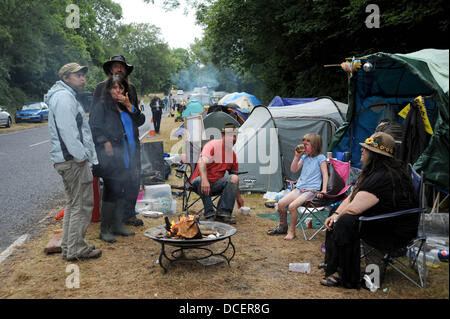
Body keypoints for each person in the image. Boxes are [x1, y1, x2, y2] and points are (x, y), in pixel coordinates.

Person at [320, 132, 418, 289]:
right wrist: (337, 213)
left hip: (392, 229)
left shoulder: (382, 177)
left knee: (345, 222)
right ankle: (333, 266)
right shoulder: (373, 172)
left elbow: (355, 208)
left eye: (366, 149)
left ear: (375, 155)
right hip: (380, 219)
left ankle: (344, 274)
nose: (362, 151)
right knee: (336, 214)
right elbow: (352, 196)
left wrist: (339, 216)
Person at [45, 62, 102, 261]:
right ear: (66, 78)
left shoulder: (65, 96)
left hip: (68, 160)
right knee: (82, 205)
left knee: (73, 204)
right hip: (72, 162)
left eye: (82, 75)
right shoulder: (63, 97)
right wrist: (80, 157)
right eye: (77, 75)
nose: (82, 78)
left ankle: (70, 247)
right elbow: (68, 132)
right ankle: (76, 249)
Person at [89, 75, 146, 243]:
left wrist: (130, 106)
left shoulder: (125, 106)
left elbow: (140, 121)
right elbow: (94, 126)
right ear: (108, 90)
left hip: (128, 155)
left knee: (123, 189)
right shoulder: (102, 106)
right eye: (114, 88)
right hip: (111, 156)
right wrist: (104, 141)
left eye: (120, 88)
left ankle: (117, 226)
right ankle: (105, 229)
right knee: (111, 189)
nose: (118, 91)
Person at [267, 133, 328, 240]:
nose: (303, 147)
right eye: (303, 144)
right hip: (300, 188)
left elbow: (325, 174)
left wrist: (324, 189)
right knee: (281, 203)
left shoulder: (320, 158)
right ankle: (283, 227)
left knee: (292, 206)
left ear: (315, 145)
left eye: (306, 145)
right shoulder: (304, 157)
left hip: (312, 190)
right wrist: (296, 156)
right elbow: (293, 170)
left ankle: (292, 231)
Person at [191, 123, 244, 224]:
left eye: (235, 136)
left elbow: (235, 178)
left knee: (234, 178)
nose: (233, 138)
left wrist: (239, 197)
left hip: (216, 184)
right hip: (200, 182)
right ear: (223, 135)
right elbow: (202, 162)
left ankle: (222, 214)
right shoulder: (212, 145)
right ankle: (209, 213)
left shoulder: (232, 155)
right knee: (200, 180)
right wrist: (205, 180)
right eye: (230, 135)